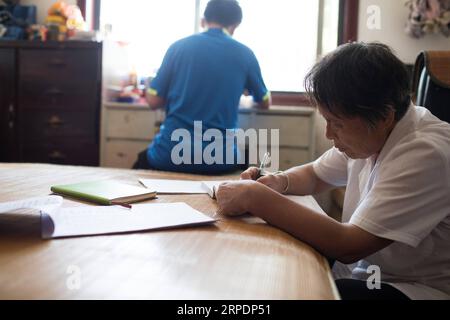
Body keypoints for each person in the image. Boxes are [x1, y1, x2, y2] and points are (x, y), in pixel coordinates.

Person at [215, 42, 450, 300]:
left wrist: (254, 197)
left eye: (336, 124)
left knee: (293, 289)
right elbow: (316, 175)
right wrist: (277, 181)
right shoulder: (372, 134)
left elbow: (348, 245)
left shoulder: (425, 152)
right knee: (277, 263)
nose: (328, 134)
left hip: (414, 287)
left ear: (384, 116)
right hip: (369, 272)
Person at [133, 0, 270, 174]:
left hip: (170, 155)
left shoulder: (178, 47)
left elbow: (153, 101)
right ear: (235, 25)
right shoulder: (245, 54)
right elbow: (265, 101)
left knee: (139, 165)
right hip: (220, 160)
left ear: (203, 20)